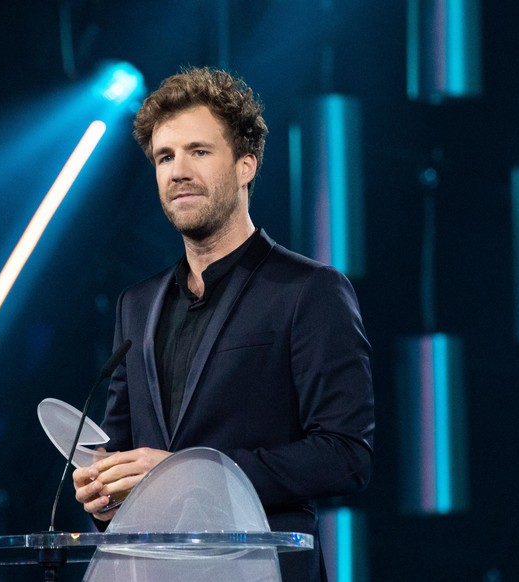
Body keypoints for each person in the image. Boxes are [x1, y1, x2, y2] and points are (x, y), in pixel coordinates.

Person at [72, 67, 375, 581]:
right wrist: (105, 492)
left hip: (261, 566)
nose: (178, 170)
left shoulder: (310, 290)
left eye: (199, 151)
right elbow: (122, 451)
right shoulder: (136, 305)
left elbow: (345, 456)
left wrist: (184, 474)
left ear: (245, 166)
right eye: (165, 157)